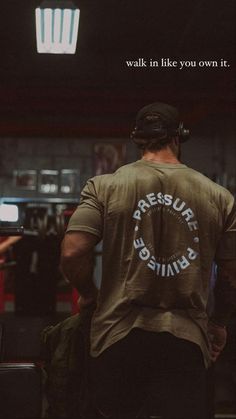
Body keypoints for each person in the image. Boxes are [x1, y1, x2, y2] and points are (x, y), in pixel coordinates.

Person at [60, 102, 236, 419]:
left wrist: (89, 293)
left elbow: (72, 251)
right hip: (186, 339)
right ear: (179, 136)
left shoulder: (104, 186)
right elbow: (231, 273)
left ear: (137, 138)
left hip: (117, 335)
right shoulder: (219, 197)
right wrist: (219, 322)